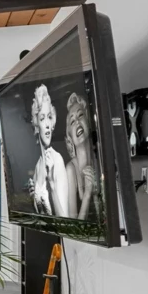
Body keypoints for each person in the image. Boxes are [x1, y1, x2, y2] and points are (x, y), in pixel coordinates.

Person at [30, 84, 68, 216]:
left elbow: (65, 221)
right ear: (36, 125)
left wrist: (51, 184)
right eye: (42, 118)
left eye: (49, 117)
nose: (47, 124)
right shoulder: (37, 166)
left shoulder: (57, 160)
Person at [64, 92, 96, 221]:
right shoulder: (70, 169)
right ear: (70, 136)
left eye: (80, 115)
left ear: (88, 121)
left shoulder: (100, 160)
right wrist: (87, 193)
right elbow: (76, 229)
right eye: (72, 121)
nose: (77, 121)